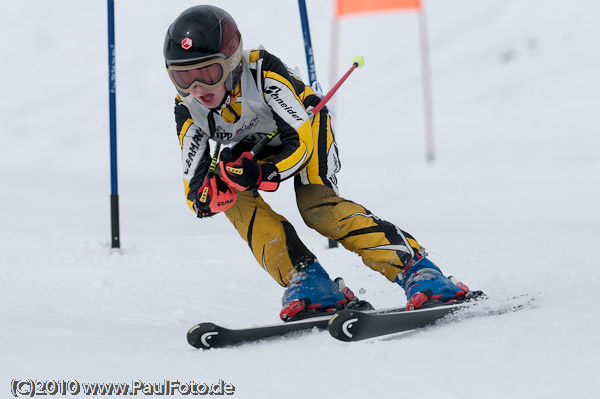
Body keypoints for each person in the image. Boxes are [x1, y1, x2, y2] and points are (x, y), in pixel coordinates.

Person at [163, 5, 470, 321]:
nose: (196, 88)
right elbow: (194, 184)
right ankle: (307, 279)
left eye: (208, 72)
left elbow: (300, 144)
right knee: (229, 195)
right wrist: (206, 198)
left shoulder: (263, 71)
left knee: (316, 206)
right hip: (256, 145)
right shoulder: (187, 107)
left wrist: (264, 173)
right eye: (182, 76)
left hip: (305, 126)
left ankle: (416, 269)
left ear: (231, 62)